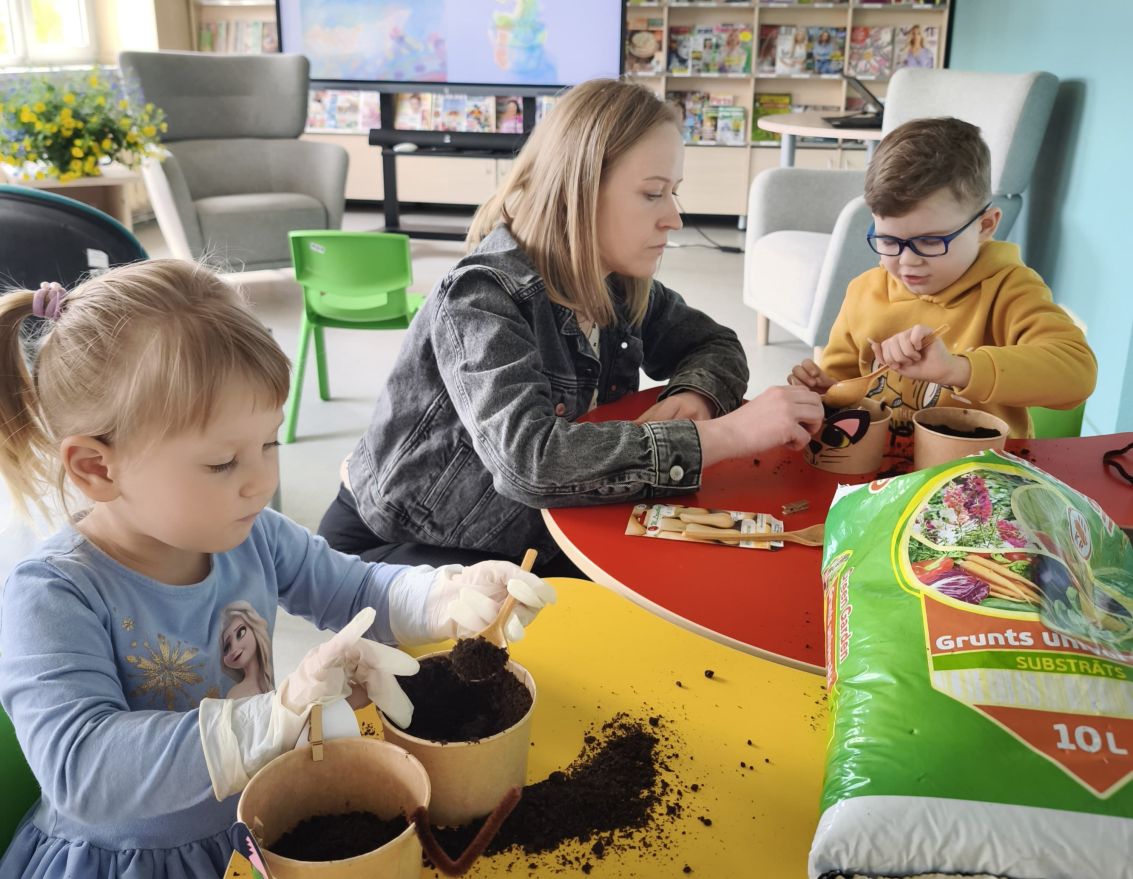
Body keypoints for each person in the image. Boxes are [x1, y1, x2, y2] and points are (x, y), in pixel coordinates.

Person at [0, 262, 554, 879]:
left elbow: (357, 587)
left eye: (269, 444)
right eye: (221, 463)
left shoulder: (250, 535)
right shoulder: (52, 593)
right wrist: (275, 715)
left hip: (255, 825)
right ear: (97, 469)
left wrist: (444, 595)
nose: (262, 481)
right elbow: (84, 768)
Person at [319, 78, 823, 577]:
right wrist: (727, 434)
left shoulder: (615, 283)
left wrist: (699, 396)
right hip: (398, 550)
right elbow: (531, 463)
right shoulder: (481, 296)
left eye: (675, 193)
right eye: (653, 194)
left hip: (534, 532)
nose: (674, 217)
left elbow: (714, 344)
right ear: (576, 193)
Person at [789, 117, 1096, 456]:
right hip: (880, 476)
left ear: (985, 225)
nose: (907, 262)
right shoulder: (865, 291)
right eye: (889, 240)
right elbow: (846, 390)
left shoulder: (1010, 288)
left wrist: (957, 369)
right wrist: (828, 391)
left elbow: (1078, 373)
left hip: (981, 481)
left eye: (931, 241)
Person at [219, 601, 273, 698]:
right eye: (227, 647)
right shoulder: (236, 693)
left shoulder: (267, 682)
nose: (234, 647)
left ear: (254, 628)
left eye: (240, 633)